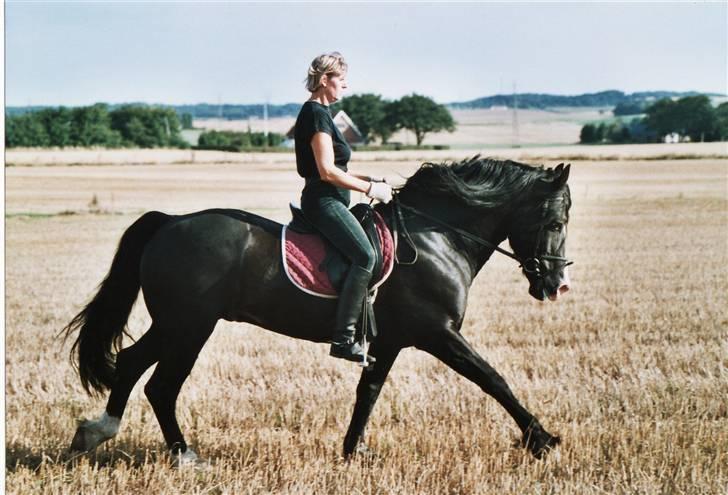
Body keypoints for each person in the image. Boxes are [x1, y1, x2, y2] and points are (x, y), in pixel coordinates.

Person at [294, 52, 393, 364]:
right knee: (365, 256)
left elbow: (339, 170)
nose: (345, 87)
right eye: (341, 80)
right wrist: (368, 188)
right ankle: (343, 338)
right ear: (325, 80)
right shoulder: (316, 114)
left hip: (334, 198)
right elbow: (326, 171)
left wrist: (374, 179)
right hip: (323, 201)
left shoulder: (322, 113)